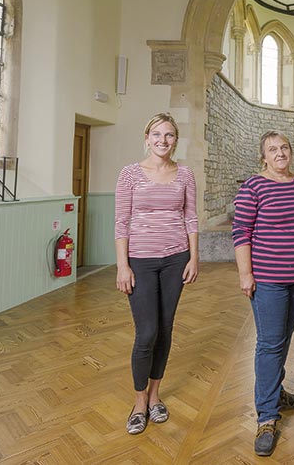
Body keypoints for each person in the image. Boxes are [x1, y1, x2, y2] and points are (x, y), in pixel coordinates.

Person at [232, 131, 294, 456]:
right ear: (263, 157)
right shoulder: (254, 187)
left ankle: (276, 391)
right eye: (273, 149)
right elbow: (241, 231)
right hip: (268, 280)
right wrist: (245, 274)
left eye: (284, 147)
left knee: (283, 338)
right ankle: (267, 417)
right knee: (269, 344)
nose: (280, 153)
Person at [114, 112, 200, 435]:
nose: (163, 141)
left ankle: (154, 396)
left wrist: (194, 257)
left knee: (165, 329)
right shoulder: (130, 174)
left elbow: (191, 217)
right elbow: (121, 222)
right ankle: (138, 402)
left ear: (175, 140)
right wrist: (123, 265)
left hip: (176, 259)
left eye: (169, 136)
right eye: (157, 135)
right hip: (140, 260)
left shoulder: (185, 174)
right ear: (147, 138)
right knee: (146, 332)